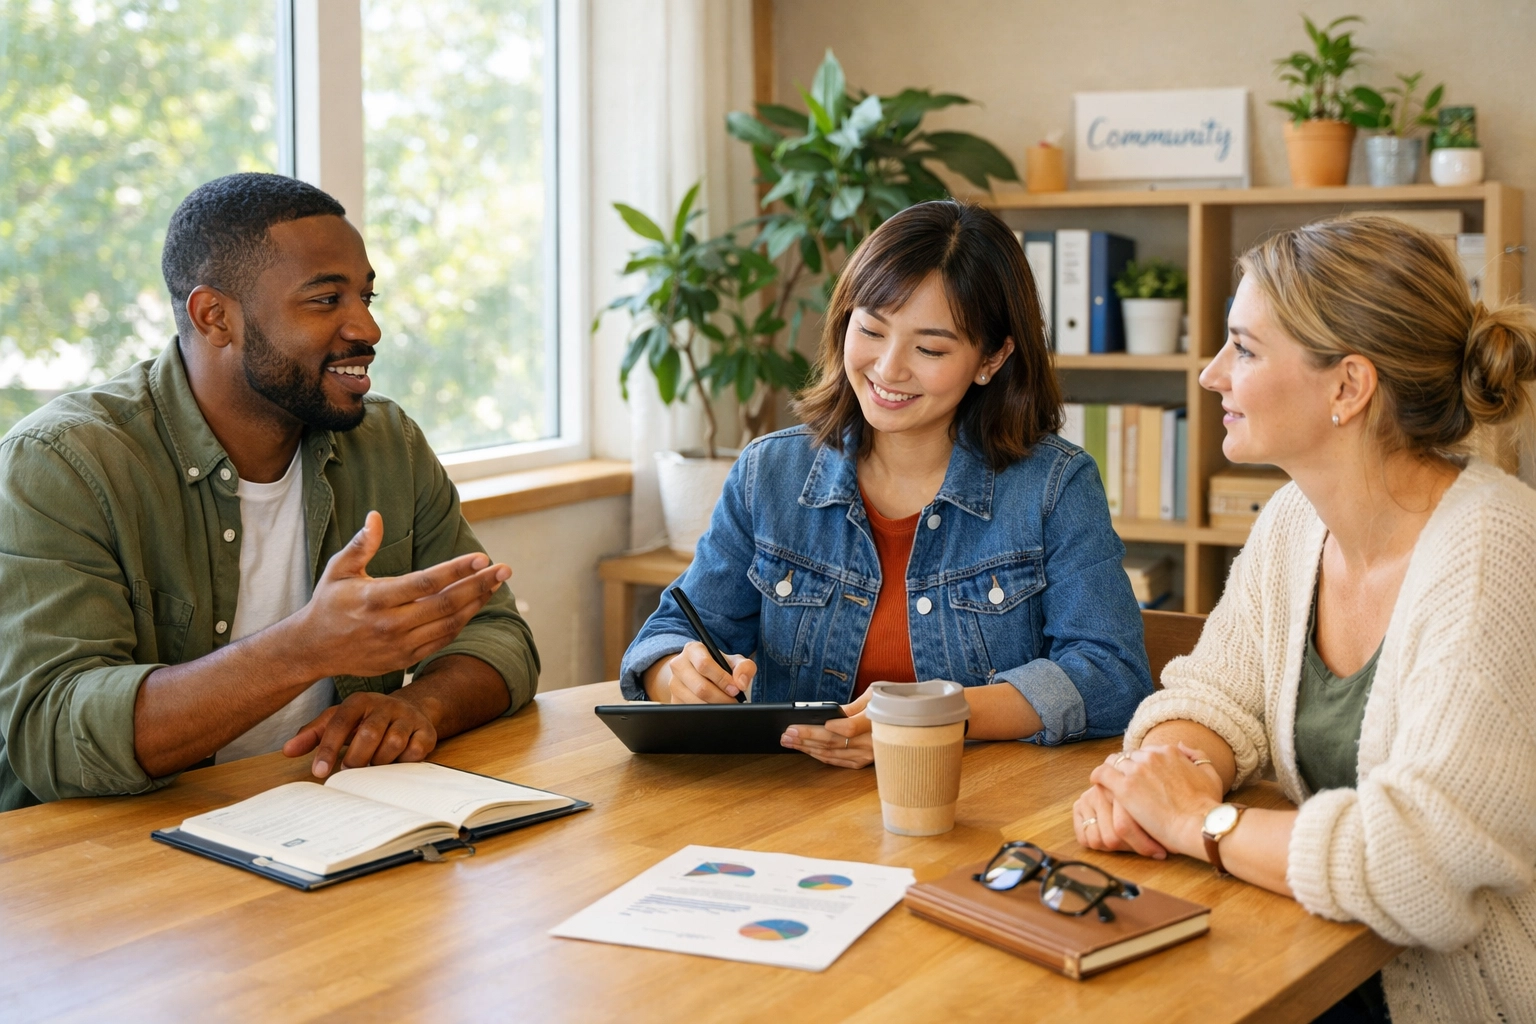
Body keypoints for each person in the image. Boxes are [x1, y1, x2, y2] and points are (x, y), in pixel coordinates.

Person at [1073, 216, 1536, 1023]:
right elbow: (1214, 695)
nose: (1213, 373)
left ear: (1347, 387)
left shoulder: (1494, 557)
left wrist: (1195, 818)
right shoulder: (1295, 519)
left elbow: (1415, 865)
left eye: (1244, 349)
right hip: (1313, 949)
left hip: (1452, 996)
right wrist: (1153, 774)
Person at [0, 173, 540, 812]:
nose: (367, 328)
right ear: (215, 317)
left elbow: (498, 635)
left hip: (326, 820)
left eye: (367, 296)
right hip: (112, 861)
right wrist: (305, 646)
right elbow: (54, 734)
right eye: (325, 300)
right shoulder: (63, 461)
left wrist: (414, 708)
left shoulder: (387, 441)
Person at [620, 200, 1153, 768]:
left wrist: (934, 715)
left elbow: (1112, 675)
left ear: (992, 359)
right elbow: (673, 630)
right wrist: (676, 674)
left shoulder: (1054, 486)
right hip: (790, 811)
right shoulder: (769, 474)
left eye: (930, 348)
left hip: (971, 808)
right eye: (871, 329)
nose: (889, 368)